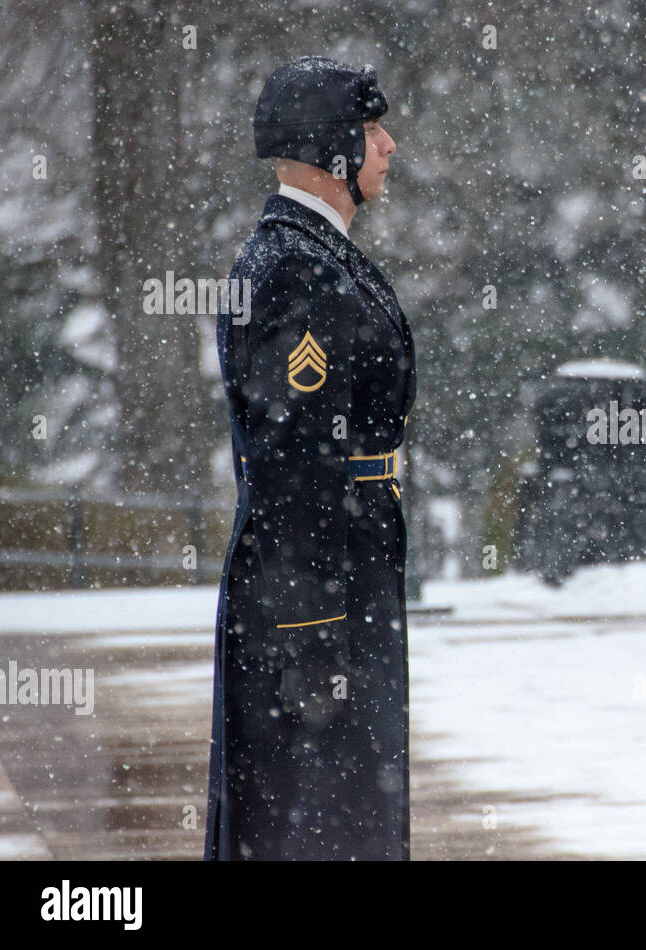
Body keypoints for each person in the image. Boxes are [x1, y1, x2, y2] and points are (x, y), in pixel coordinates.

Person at [204, 57, 416, 859]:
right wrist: (314, 630)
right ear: (333, 150)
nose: (390, 146)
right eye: (371, 131)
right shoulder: (294, 268)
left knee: (339, 803)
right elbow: (294, 462)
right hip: (319, 580)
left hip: (340, 562)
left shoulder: (313, 253)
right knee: (317, 813)